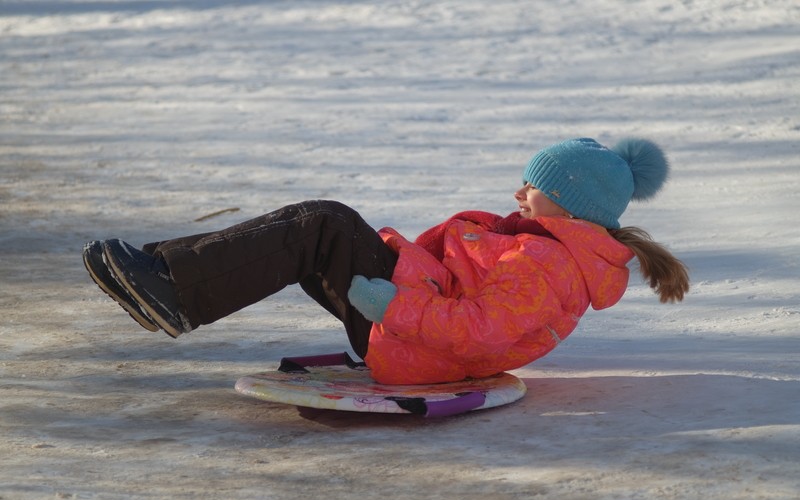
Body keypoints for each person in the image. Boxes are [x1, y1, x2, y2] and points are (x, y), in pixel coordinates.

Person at [83, 137, 689, 385]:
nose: (517, 193)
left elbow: (481, 333)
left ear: (569, 201)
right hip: (407, 320)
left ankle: (171, 286)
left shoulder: (547, 264)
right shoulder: (540, 246)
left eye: (531, 185)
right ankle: (164, 273)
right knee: (322, 225)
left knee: (323, 225)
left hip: (413, 341)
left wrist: (396, 306)